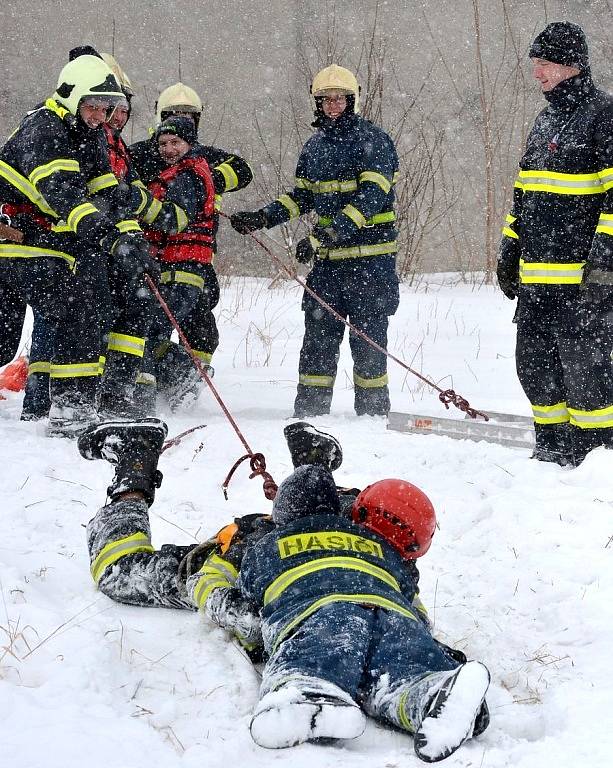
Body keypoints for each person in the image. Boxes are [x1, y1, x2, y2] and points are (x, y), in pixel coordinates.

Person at [80, 419, 490, 762]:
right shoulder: (359, 524)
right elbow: (208, 579)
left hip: (281, 554)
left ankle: (132, 474)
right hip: (264, 541)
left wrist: (245, 617)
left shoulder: (275, 537)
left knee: (123, 568)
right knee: (121, 571)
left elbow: (209, 582)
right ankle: (137, 460)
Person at [0, 53, 160, 435]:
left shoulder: (90, 135)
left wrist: (134, 242)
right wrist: (109, 239)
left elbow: (107, 194)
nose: (101, 117)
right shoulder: (45, 129)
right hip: (16, 243)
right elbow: (64, 196)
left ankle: (72, 407)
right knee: (76, 308)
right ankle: (67, 408)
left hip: (49, 244)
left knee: (74, 311)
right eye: (94, 106)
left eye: (108, 108)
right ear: (71, 97)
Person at [230, 64, 400, 419]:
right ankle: (309, 415)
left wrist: (327, 233)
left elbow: (371, 198)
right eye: (325, 100)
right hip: (329, 267)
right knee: (318, 343)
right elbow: (301, 197)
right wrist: (262, 218)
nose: (332, 106)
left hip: (371, 264)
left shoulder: (374, 141)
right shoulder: (315, 147)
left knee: (368, 345)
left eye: (339, 99)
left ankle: (372, 418)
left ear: (351, 100)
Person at [497, 22, 613, 466]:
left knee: (587, 379)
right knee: (535, 369)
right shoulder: (545, 119)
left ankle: (596, 460)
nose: (537, 73)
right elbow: (523, 195)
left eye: (544, 64)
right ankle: (551, 451)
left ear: (571, 65)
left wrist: (604, 266)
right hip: (537, 285)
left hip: (583, 287)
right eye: (535, 64)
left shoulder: (602, 115)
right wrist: (510, 249)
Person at [137, 116, 222, 410]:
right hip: (171, 269)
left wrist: (137, 203)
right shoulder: (175, 173)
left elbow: (173, 220)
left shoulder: (188, 176)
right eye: (162, 144)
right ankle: (184, 373)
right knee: (152, 332)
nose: (168, 149)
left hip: (182, 270)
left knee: (146, 332)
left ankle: (145, 401)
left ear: (190, 144)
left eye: (176, 143)